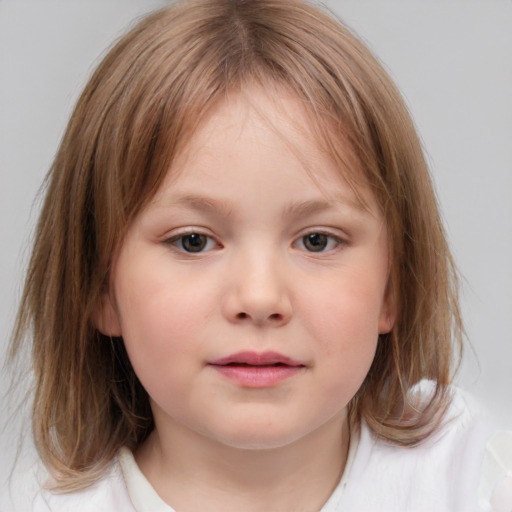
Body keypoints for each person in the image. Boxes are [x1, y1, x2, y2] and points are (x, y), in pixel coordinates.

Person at [6, 0, 511, 510]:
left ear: (394, 283)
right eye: (193, 241)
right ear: (98, 284)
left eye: (317, 240)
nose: (260, 297)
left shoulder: (470, 476)